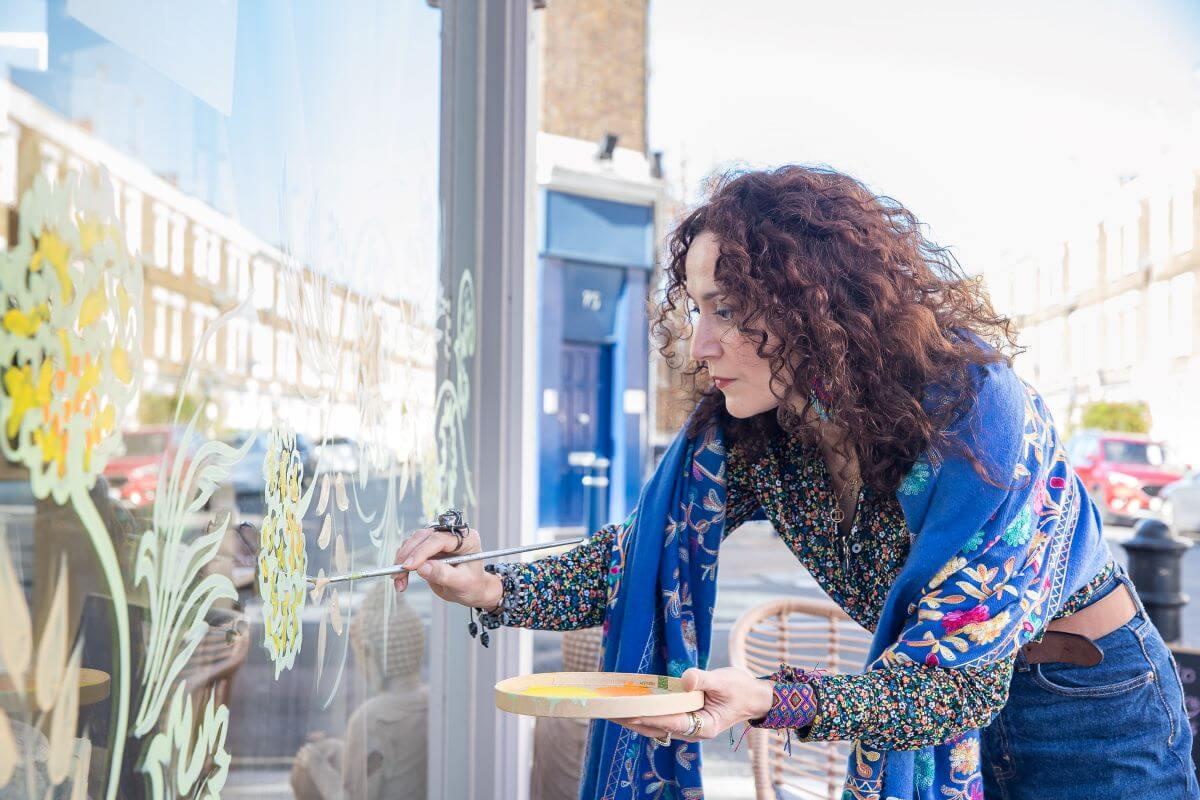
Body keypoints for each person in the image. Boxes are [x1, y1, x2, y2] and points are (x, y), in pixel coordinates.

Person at [393, 165, 1199, 800]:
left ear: (819, 307)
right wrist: (487, 585)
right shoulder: (766, 433)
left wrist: (774, 699)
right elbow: (635, 558)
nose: (701, 343)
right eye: (697, 309)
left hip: (1091, 708)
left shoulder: (979, 423)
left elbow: (948, 683)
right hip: (942, 702)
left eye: (729, 311)